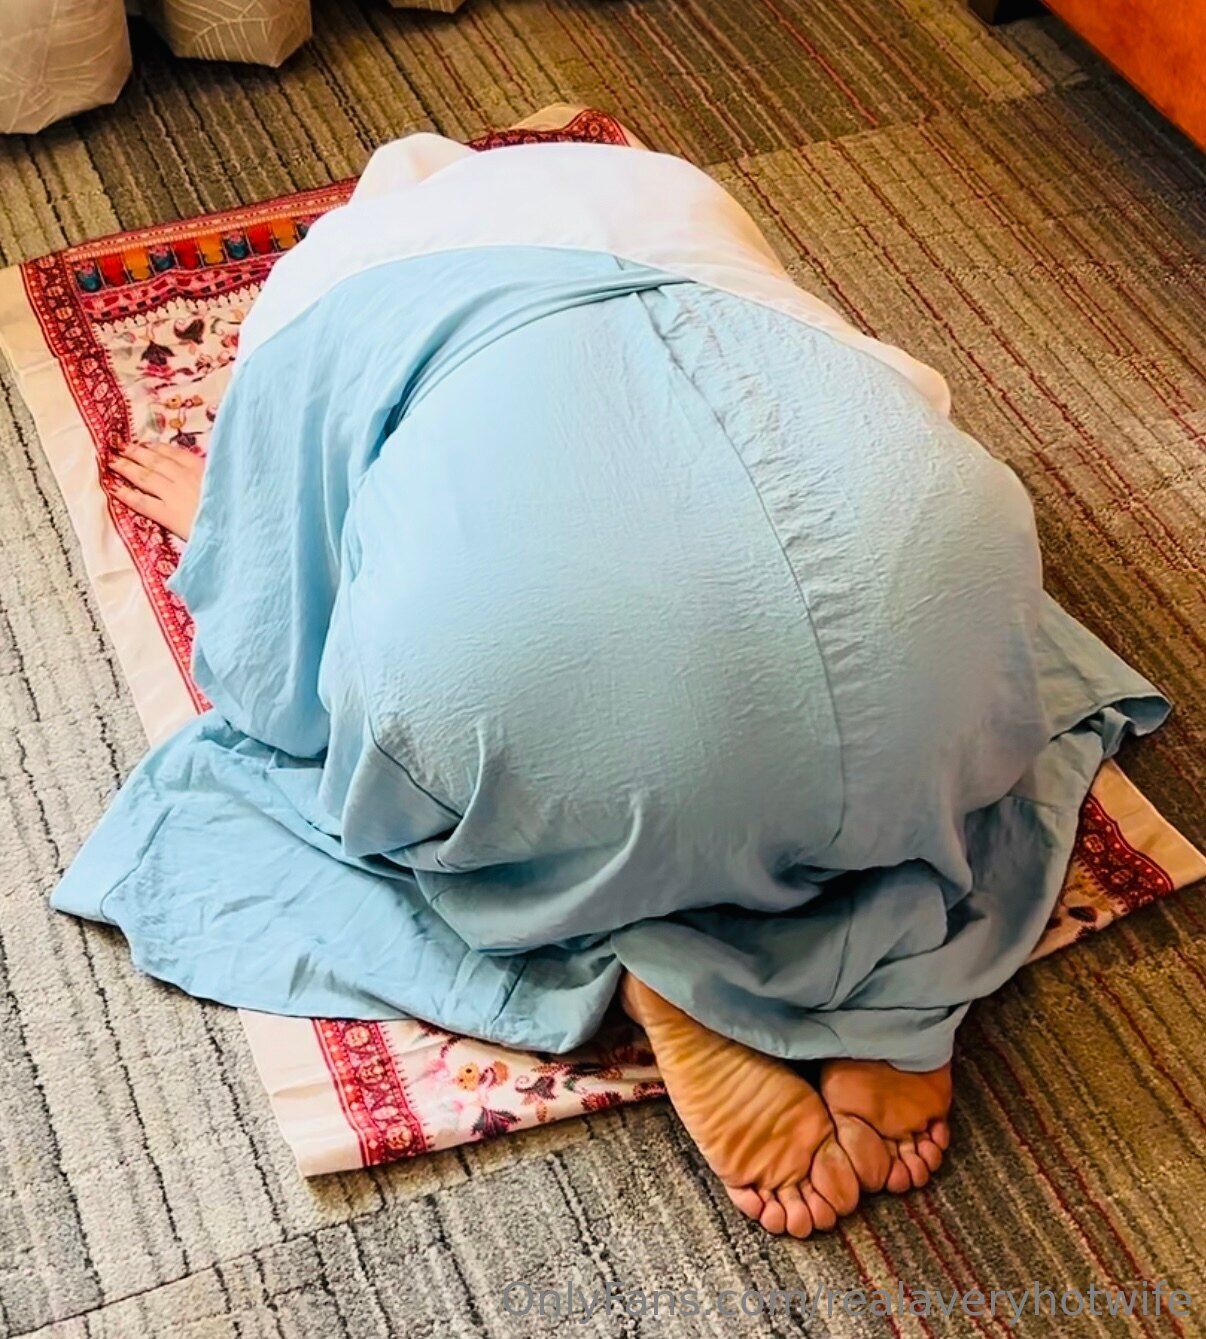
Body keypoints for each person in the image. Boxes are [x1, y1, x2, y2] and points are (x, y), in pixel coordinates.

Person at [59, 126, 1166, 1238]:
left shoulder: (320, 289)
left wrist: (232, 528)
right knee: (896, 629)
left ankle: (648, 962)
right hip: (943, 636)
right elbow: (885, 392)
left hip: (550, 707)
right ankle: (892, 968)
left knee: (389, 730)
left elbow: (275, 681)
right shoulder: (672, 197)